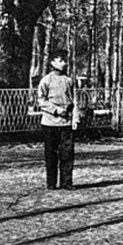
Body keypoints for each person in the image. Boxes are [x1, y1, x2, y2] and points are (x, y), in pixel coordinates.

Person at [36, 49, 77, 191]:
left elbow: (74, 100)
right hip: (49, 123)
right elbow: (41, 100)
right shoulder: (46, 80)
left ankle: (67, 182)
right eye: (61, 60)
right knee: (51, 153)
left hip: (66, 123)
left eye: (65, 60)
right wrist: (55, 110)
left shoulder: (69, 81)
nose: (64, 63)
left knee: (67, 153)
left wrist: (75, 117)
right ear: (53, 62)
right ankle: (51, 183)